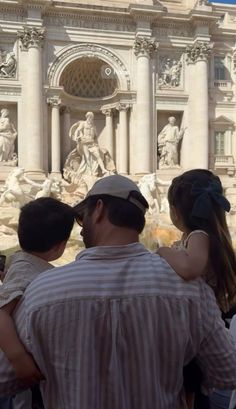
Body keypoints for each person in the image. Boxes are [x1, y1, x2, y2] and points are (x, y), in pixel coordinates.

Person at [0, 175, 236, 409]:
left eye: (83, 219)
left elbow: (4, 379)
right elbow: (227, 373)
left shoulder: (41, 292)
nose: (81, 230)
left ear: (99, 209)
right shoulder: (189, 289)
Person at [157, 169, 236, 408]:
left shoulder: (198, 235)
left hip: (198, 326)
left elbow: (191, 268)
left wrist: (164, 252)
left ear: (177, 211)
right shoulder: (210, 236)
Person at [0, 197, 75, 409]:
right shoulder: (25, 269)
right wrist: (18, 358)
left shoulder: (24, 264)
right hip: (14, 372)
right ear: (60, 247)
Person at [63, 111, 116, 181]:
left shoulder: (93, 126)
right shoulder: (83, 124)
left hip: (92, 143)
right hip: (85, 143)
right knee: (87, 157)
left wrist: (96, 144)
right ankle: (90, 172)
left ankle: (103, 169)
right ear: (87, 117)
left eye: (92, 117)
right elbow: (78, 130)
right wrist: (78, 138)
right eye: (90, 117)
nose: (91, 118)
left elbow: (96, 136)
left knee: (98, 157)